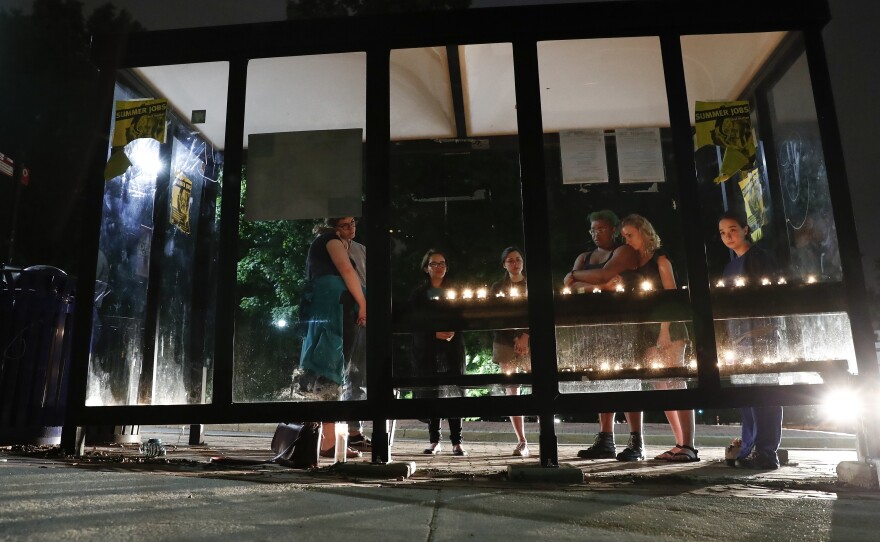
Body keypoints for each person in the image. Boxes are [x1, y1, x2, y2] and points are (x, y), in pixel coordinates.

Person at [563, 210, 643, 462]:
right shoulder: (584, 257)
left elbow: (603, 274)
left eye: (601, 228)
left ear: (614, 229)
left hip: (621, 323)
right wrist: (599, 286)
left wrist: (577, 277)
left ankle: (636, 439)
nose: (596, 233)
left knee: (627, 381)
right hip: (593, 326)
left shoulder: (623, 251)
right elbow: (570, 287)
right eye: (592, 229)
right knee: (600, 379)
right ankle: (606, 438)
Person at [618, 214, 698, 462]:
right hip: (648, 331)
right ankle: (679, 443)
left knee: (676, 383)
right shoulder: (634, 264)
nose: (627, 240)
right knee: (661, 386)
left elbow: (671, 297)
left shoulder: (660, 259)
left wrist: (664, 331)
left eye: (630, 235)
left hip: (669, 329)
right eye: (624, 236)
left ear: (644, 232)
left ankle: (689, 445)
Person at [296, 217, 366, 460]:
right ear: (334, 226)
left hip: (329, 307)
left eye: (353, 222)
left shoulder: (327, 243)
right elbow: (346, 271)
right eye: (345, 224)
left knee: (326, 368)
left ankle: (320, 439)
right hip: (335, 309)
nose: (351, 228)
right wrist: (362, 303)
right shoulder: (331, 240)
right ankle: (327, 441)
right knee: (331, 369)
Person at [718, 210, 783, 470]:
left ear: (745, 230)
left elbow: (767, 295)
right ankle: (749, 448)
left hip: (760, 335)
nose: (727, 236)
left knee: (763, 393)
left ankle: (765, 451)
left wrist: (762, 329)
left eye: (732, 229)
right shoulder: (730, 265)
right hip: (739, 336)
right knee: (747, 395)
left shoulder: (759, 258)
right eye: (722, 232)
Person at [409, 249, 468, 456]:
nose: (439, 267)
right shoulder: (419, 294)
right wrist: (433, 333)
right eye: (434, 263)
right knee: (432, 392)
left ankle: (457, 442)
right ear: (426, 268)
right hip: (428, 349)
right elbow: (414, 321)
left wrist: (453, 330)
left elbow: (463, 316)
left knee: (454, 392)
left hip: (452, 347)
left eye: (442, 263)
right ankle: (434, 440)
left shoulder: (455, 291)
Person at [490, 247, 531, 457]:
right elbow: (497, 316)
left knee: (539, 386)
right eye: (510, 260)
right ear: (504, 264)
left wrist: (525, 336)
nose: (515, 263)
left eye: (518, 259)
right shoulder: (498, 287)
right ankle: (521, 440)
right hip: (505, 340)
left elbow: (535, 311)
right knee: (512, 388)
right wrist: (516, 337)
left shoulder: (531, 284)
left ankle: (546, 434)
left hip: (531, 340)